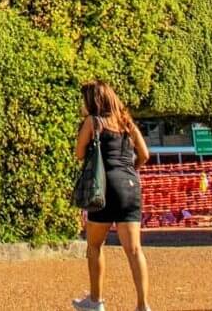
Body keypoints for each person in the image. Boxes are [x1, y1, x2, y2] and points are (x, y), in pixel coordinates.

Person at [72, 80, 152, 311]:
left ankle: (95, 301)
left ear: (93, 101)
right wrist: (128, 170)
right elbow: (144, 154)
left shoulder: (93, 122)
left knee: (95, 246)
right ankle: (142, 305)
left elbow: (79, 153)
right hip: (130, 186)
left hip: (105, 187)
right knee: (134, 249)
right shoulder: (127, 123)